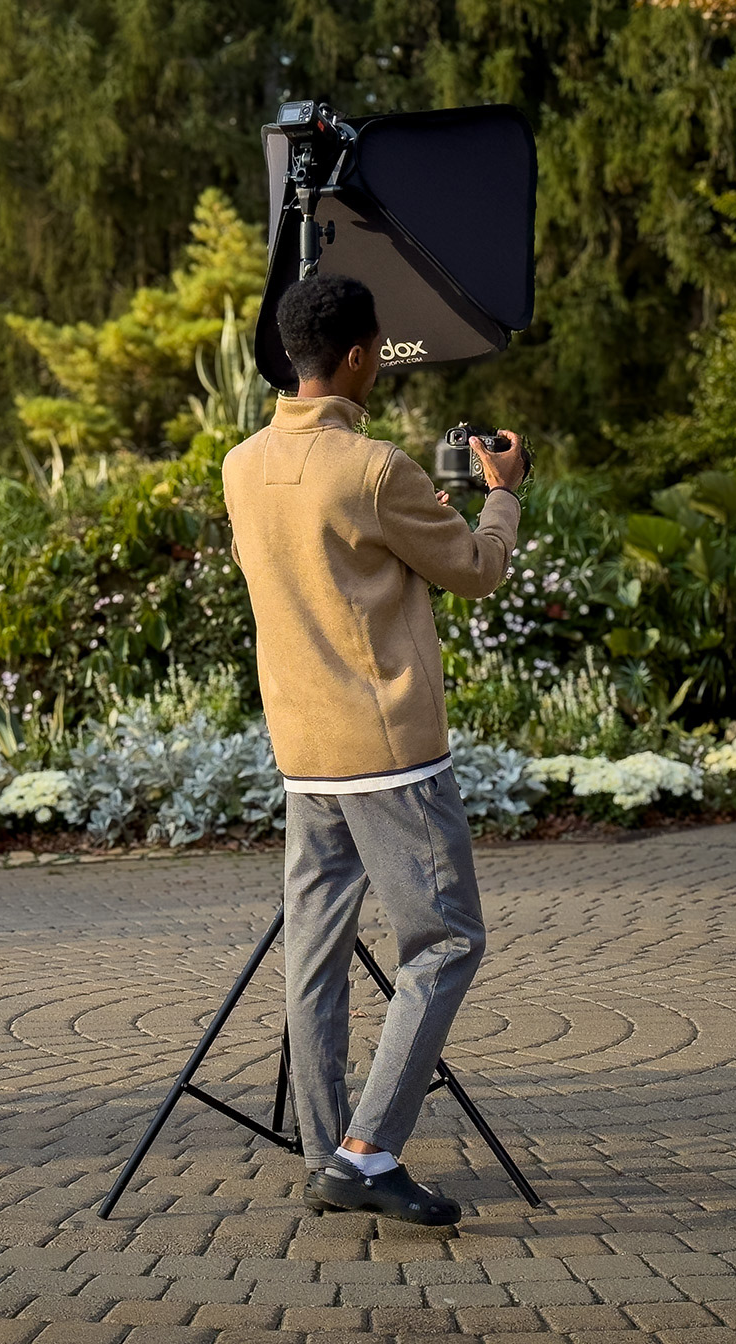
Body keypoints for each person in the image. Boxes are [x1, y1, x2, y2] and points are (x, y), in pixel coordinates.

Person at [222, 274, 527, 1226]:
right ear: (358, 356)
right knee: (446, 942)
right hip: (389, 753)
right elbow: (476, 570)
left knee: (314, 957)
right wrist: (501, 497)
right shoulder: (374, 467)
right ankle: (367, 1151)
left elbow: (313, 569)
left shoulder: (240, 463)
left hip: (303, 751)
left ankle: (327, 1150)